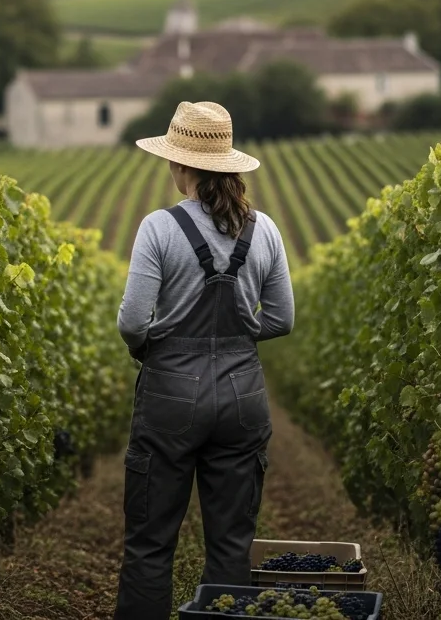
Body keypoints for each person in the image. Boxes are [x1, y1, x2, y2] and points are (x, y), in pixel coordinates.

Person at [113, 100, 294, 620]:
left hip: (170, 394)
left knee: (150, 546)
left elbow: (131, 321)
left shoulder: (158, 228)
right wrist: (235, 340)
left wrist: (154, 349)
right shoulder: (266, 231)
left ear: (180, 164)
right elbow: (282, 319)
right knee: (232, 547)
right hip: (243, 398)